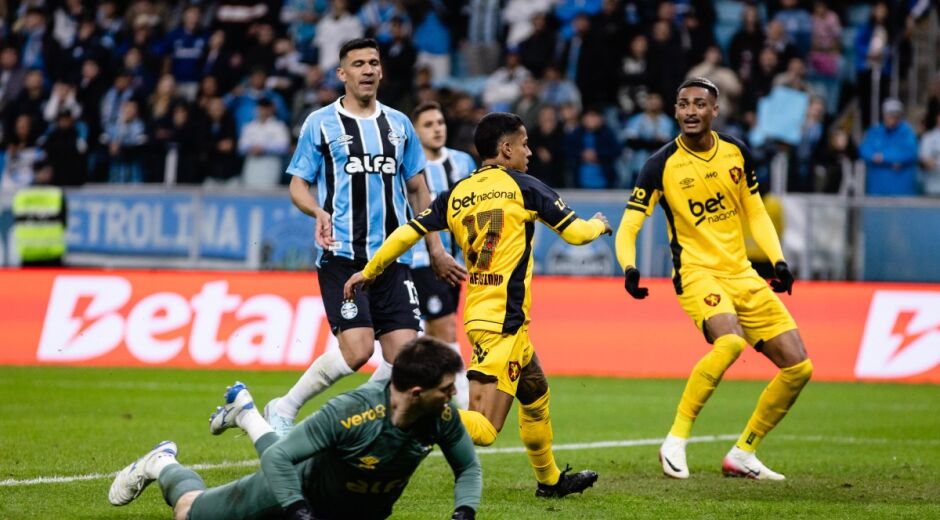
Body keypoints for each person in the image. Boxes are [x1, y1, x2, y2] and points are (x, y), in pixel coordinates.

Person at [344, 112, 607, 498]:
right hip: (503, 321)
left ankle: (550, 482)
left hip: (482, 313)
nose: (529, 152)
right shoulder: (524, 187)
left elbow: (408, 232)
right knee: (484, 429)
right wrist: (600, 223)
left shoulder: (457, 193)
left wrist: (370, 270)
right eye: (524, 144)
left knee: (534, 390)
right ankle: (401, 414)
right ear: (506, 149)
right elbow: (579, 234)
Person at [615, 77, 813, 481]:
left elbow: (755, 211)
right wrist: (629, 268)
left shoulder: (736, 151)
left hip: (741, 273)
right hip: (696, 273)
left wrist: (777, 260)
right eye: (683, 104)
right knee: (730, 342)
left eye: (699, 104)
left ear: (714, 111)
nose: (691, 111)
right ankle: (676, 440)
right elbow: (629, 227)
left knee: (799, 368)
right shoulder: (660, 165)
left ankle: (743, 453)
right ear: (675, 111)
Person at [265, 38, 465, 437]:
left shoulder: (399, 125)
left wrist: (437, 249)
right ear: (342, 74)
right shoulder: (320, 123)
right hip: (342, 255)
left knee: (404, 362)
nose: (368, 70)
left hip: (394, 261)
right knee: (357, 352)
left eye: (374, 62)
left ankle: (362, 429)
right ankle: (284, 406)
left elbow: (420, 190)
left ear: (382, 70)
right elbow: (298, 185)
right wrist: (317, 211)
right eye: (358, 64)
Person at [108, 337, 481, 520]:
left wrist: (464, 512)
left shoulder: (442, 418)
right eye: (447, 390)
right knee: (189, 513)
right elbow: (282, 458)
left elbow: (467, 468)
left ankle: (247, 413)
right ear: (417, 393)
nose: (453, 397)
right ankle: (161, 464)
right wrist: (298, 511)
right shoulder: (350, 413)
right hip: (292, 494)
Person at [409, 101, 476, 408]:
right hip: (422, 261)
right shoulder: (409, 166)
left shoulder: (462, 163)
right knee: (446, 327)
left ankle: (427, 397)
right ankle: (461, 400)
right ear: (416, 131)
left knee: (431, 336)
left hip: (456, 262)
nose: (437, 128)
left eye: (440, 122)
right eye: (428, 124)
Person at [13, 159, 67, 267]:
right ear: (36, 172)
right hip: (32, 254)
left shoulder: (23, 195)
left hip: (50, 254)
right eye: (46, 171)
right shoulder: (55, 194)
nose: (49, 175)